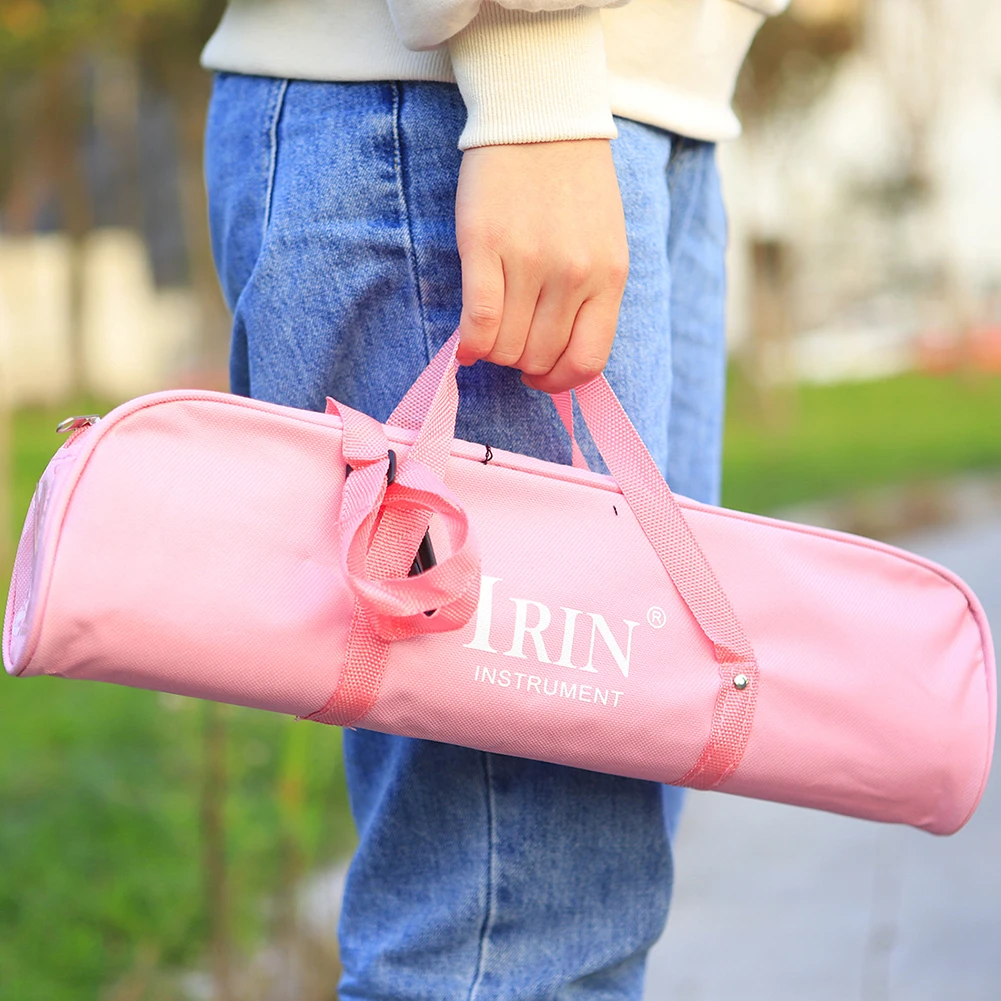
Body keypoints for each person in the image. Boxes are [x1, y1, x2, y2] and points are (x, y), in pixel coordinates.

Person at [202, 0, 788, 995]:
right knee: (511, 934)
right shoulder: (527, 94)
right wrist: (529, 79)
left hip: (641, 114)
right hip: (488, 103)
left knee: (577, 903)